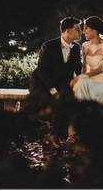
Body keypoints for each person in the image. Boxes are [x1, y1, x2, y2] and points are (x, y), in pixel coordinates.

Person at [29, 17, 82, 148]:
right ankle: (31, 128)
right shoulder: (48, 46)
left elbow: (77, 68)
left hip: (61, 82)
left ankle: (55, 134)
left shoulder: (76, 47)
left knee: (68, 98)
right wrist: (53, 91)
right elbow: (43, 71)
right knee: (40, 99)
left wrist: (78, 79)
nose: (81, 32)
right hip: (42, 81)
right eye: (78, 29)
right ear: (68, 31)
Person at [70, 16, 103, 115]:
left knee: (81, 82)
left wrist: (81, 77)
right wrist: (80, 78)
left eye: (86, 28)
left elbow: (101, 68)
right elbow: (84, 66)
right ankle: (82, 116)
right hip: (90, 79)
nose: (84, 31)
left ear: (94, 30)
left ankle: (82, 117)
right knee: (80, 84)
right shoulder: (85, 46)